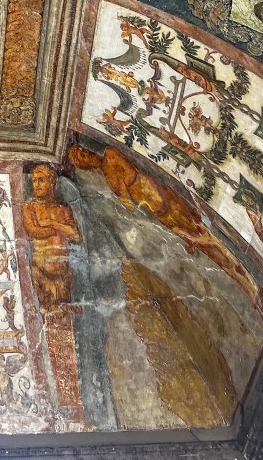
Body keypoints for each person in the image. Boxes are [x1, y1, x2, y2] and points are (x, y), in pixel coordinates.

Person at [69, 143, 259, 301]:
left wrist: (119, 190)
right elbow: (129, 204)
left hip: (165, 199)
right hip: (160, 213)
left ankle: (246, 277)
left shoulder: (110, 156)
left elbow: (127, 194)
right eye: (81, 157)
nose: (85, 154)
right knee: (201, 244)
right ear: (84, 166)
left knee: (204, 236)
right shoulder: (108, 176)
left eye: (82, 151)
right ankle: (245, 283)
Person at [22, 164, 87, 425]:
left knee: (63, 325)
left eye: (42, 180)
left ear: (53, 182)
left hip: (62, 272)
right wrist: (56, 227)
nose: (37, 185)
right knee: (50, 322)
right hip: (41, 270)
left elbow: (75, 234)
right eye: (34, 180)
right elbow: (34, 231)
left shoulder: (62, 208)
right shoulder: (29, 207)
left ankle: (72, 403)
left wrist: (51, 223)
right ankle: (63, 402)